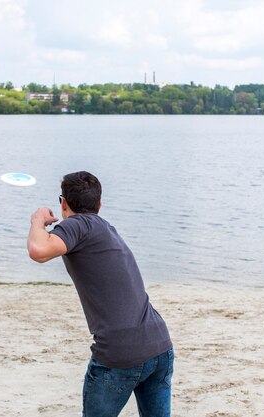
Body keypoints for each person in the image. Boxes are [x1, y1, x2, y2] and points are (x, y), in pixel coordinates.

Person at [27, 171, 173, 417]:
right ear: (99, 204)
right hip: (159, 345)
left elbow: (38, 250)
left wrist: (37, 221)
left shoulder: (78, 224)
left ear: (63, 203)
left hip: (119, 354)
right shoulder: (105, 228)